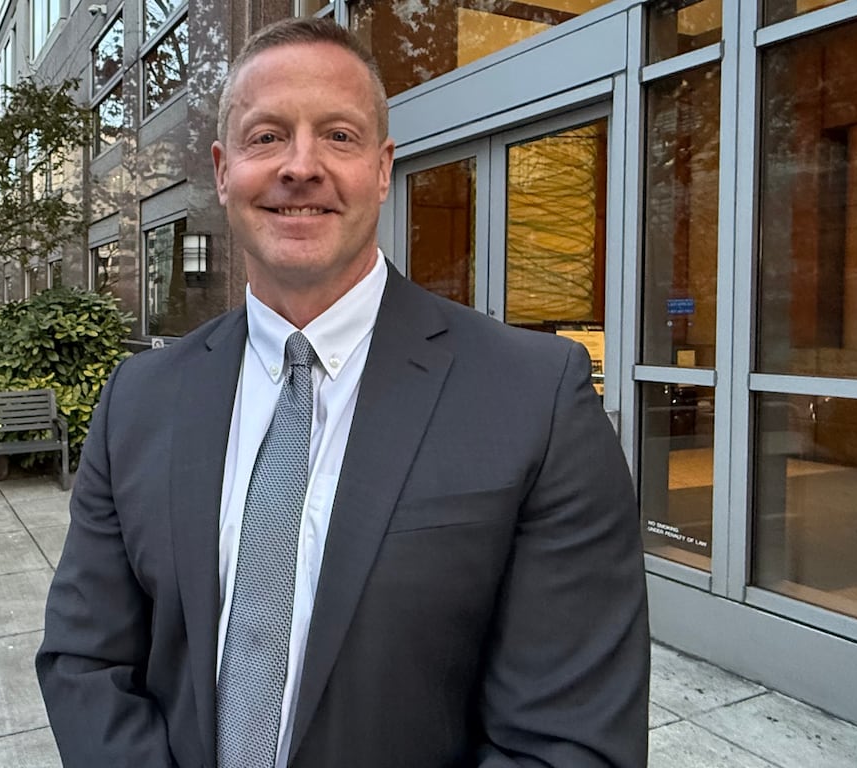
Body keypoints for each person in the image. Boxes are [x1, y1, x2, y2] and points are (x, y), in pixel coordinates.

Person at [37, 17, 648, 768]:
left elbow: (568, 741)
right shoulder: (138, 399)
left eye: (339, 136)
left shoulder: (534, 400)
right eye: (267, 137)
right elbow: (85, 660)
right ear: (224, 171)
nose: (301, 166)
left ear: (384, 169)